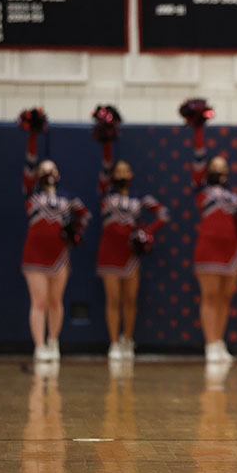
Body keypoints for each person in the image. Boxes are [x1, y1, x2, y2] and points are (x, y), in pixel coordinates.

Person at [183, 99, 237, 363]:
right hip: (208, 248)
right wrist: (199, 130)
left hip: (231, 250)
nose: (218, 172)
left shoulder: (234, 197)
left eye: (222, 169)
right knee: (210, 296)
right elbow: (198, 161)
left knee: (225, 297)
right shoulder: (202, 191)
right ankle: (210, 344)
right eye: (214, 169)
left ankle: (220, 341)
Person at [21, 115, 90, 361]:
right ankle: (39, 346)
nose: (48, 173)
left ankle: (53, 342)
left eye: (52, 170)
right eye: (44, 170)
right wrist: (32, 135)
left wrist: (75, 231)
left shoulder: (68, 198)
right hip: (34, 253)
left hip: (59, 253)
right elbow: (28, 167)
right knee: (38, 301)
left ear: (59, 174)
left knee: (55, 300)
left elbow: (85, 215)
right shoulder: (31, 195)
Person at [96, 129, 169, 361]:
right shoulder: (105, 194)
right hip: (109, 252)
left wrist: (146, 232)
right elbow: (105, 164)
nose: (122, 174)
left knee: (130, 299)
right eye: (118, 171)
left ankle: (128, 340)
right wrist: (106, 141)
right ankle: (113, 343)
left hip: (130, 253)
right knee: (113, 300)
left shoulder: (139, 197)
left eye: (125, 171)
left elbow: (164, 214)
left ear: (132, 174)